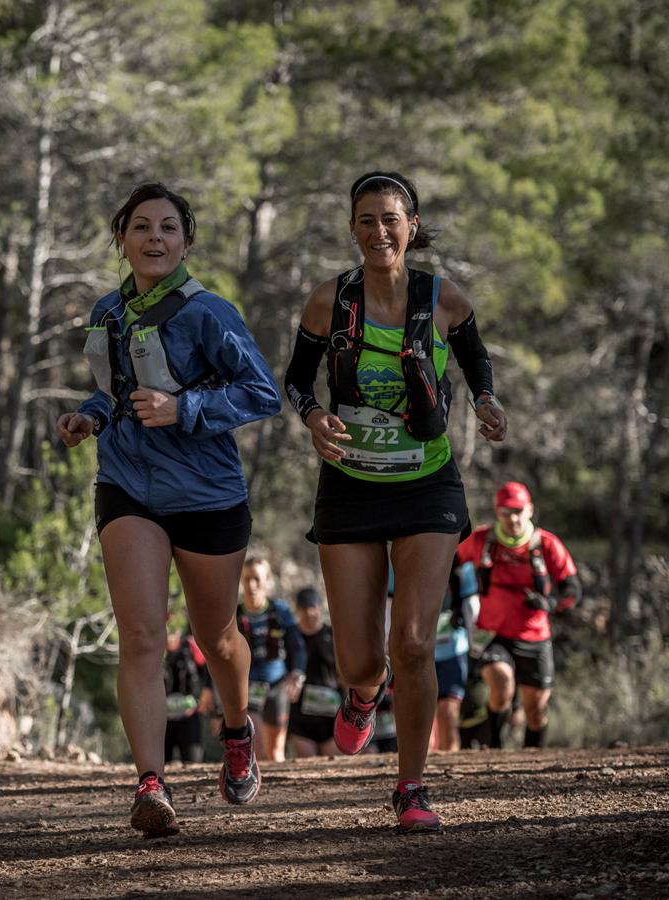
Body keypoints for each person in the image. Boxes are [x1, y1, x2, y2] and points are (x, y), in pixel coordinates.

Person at [282, 170, 507, 832]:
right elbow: (297, 380)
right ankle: (362, 695)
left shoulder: (443, 299)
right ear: (352, 230)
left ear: (411, 225)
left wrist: (487, 403)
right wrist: (312, 416)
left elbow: (477, 367)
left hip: (427, 485)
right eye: (366, 220)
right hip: (350, 484)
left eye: (391, 219)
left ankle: (411, 786)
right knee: (362, 658)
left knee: (413, 642)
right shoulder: (330, 301)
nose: (379, 231)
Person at [57, 182, 281, 838]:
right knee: (144, 635)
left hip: (209, 493)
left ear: (186, 241)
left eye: (168, 228)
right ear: (121, 238)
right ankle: (151, 781)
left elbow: (262, 393)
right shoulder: (107, 310)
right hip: (128, 486)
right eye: (141, 227)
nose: (155, 238)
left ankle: (236, 731)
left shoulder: (210, 313)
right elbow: (115, 391)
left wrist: (184, 410)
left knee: (217, 639)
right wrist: (88, 416)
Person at [456, 481, 580, 749]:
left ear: (530, 510)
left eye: (518, 511)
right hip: (493, 634)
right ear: (496, 512)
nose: (512, 518)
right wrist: (453, 605)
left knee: (535, 711)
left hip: (535, 637)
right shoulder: (481, 541)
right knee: (501, 686)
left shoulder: (546, 545)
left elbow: (572, 589)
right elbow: (449, 562)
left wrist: (550, 603)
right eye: (505, 511)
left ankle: (531, 757)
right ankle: (495, 748)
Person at [237, 558, 306, 762]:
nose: (251, 585)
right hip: (248, 687)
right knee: (256, 746)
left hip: (277, 685)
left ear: (267, 581)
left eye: (257, 579)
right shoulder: (236, 614)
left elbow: (297, 645)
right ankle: (255, 788)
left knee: (275, 752)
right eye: (247, 579)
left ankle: (278, 792)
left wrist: (298, 673)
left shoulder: (280, 610)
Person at [432, 562, 479, 752]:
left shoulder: (461, 564)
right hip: (415, 654)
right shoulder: (403, 555)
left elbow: (472, 606)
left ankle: (448, 772)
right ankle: (419, 773)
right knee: (420, 718)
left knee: (448, 713)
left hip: (452, 650)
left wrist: (473, 640)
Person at [289, 587, 341, 758]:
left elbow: (344, 674)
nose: (309, 613)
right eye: (304, 608)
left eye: (313, 607)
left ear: (320, 608)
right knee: (307, 766)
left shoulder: (333, 635)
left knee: (332, 766)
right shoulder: (290, 636)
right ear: (297, 610)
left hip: (331, 716)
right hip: (300, 718)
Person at [163, 626, 206, 764]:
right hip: (162, 718)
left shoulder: (193, 646)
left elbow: (208, 674)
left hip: (190, 715)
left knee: (193, 763)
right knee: (159, 765)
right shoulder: (153, 649)